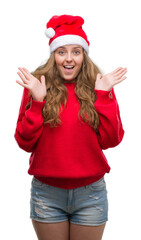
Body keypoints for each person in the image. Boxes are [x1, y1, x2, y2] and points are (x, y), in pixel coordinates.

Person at [14, 15, 127, 240]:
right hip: (46, 194)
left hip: (90, 194)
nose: (69, 58)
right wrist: (37, 102)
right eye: (61, 51)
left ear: (84, 55)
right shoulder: (38, 85)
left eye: (76, 51)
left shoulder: (99, 86)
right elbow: (24, 142)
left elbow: (112, 140)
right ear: (53, 55)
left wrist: (104, 96)